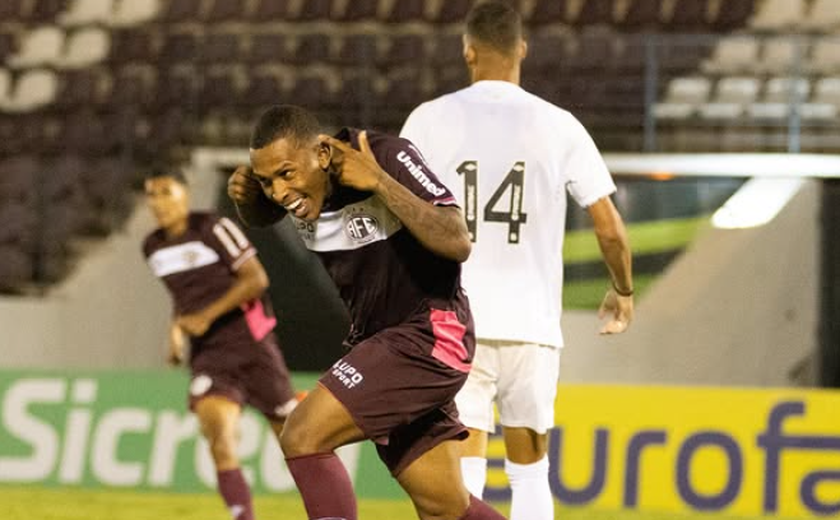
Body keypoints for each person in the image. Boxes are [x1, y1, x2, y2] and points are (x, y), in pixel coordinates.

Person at [399, 2, 635, 520]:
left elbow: (396, 212)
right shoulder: (560, 125)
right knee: (530, 470)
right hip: (531, 326)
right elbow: (609, 226)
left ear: (467, 51)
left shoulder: (429, 119)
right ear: (522, 49)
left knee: (464, 465)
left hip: (455, 320)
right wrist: (623, 291)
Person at [227, 104, 507, 520]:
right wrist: (249, 202)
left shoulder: (380, 155)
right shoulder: (296, 195)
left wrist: (378, 181)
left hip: (428, 334)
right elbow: (267, 208)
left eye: (287, 174)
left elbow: (458, 240)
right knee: (445, 508)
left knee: (303, 434)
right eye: (268, 182)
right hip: (383, 343)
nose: (281, 193)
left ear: (322, 154)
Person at [142, 168, 300, 520]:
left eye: (166, 191)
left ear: (184, 193)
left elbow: (256, 278)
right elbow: (182, 297)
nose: (158, 201)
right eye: (151, 194)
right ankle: (243, 517)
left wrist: (206, 316)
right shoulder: (152, 247)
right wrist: (176, 333)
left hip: (253, 345)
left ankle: (329, 510)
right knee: (219, 440)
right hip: (210, 357)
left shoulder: (212, 228)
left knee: (297, 444)